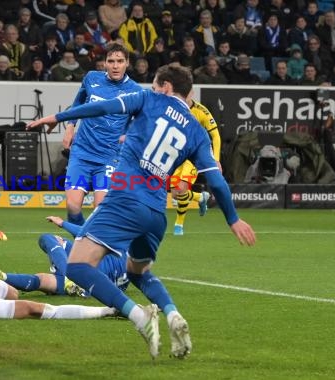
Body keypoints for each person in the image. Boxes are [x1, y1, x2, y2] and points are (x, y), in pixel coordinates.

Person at [26, 64, 256, 361]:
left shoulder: (146, 99)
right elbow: (217, 182)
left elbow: (101, 108)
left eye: (156, 85)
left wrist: (58, 117)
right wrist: (233, 219)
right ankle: (172, 314)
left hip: (124, 198)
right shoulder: (197, 132)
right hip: (156, 212)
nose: (153, 89)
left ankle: (139, 318)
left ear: (167, 87)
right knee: (137, 272)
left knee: (77, 267)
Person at [50, 44, 143, 226]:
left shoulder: (136, 91)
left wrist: (129, 135)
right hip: (82, 152)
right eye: (111, 61)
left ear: (127, 63)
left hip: (110, 156)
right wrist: (70, 126)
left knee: (100, 209)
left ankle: (91, 248)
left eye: (120, 61)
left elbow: (141, 122)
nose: (115, 66)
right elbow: (78, 102)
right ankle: (79, 243)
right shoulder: (92, 78)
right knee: (73, 206)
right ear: (105, 63)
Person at [0, 215, 129, 297]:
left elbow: (86, 234)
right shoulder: (130, 253)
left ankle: (3, 276)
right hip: (90, 282)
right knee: (42, 280)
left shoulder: (117, 237)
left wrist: (62, 223)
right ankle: (4, 277)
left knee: (47, 239)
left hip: (87, 268)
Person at [171, 92, 221, 236]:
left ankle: (178, 225)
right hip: (177, 155)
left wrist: (216, 159)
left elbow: (215, 136)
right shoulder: (174, 109)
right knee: (175, 193)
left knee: (181, 188)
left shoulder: (201, 111)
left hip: (194, 157)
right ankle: (200, 197)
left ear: (190, 94)